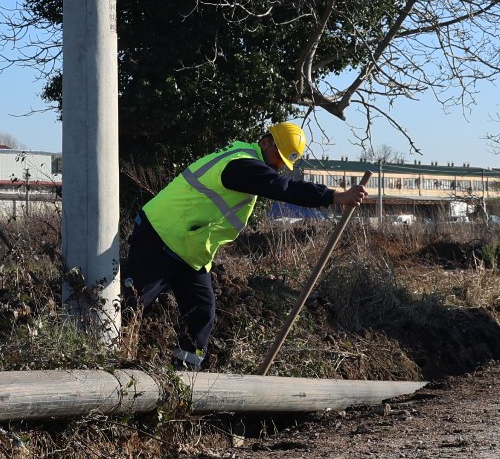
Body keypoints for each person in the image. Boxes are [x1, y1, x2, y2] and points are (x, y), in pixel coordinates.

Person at [127, 121, 368, 370]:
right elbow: (283, 188)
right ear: (265, 142)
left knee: (202, 312)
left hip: (190, 248)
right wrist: (334, 196)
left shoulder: (246, 161)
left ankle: (184, 377)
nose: (278, 166)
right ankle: (103, 361)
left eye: (283, 163)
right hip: (161, 237)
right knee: (130, 305)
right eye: (278, 157)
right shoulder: (241, 165)